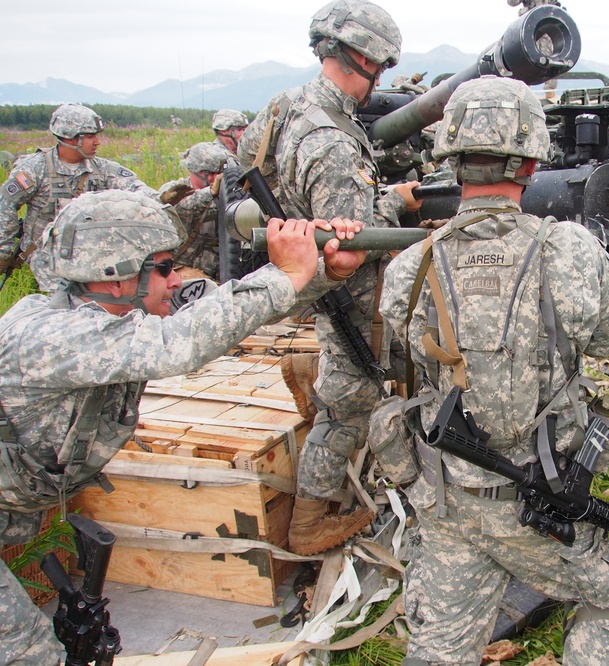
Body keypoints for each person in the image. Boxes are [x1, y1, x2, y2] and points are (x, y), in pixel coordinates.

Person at [0, 189, 366, 665]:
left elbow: (220, 316)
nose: (176, 280)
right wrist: (284, 273)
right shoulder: (48, 335)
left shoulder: (118, 318)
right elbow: (180, 344)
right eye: (165, 267)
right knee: (28, 653)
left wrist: (320, 271)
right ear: (116, 277)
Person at [379, 75, 609, 666]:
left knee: (439, 649)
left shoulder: (411, 264)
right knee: (606, 592)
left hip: (449, 503)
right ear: (529, 163)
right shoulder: (569, 250)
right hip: (542, 503)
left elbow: (410, 353)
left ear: (453, 160)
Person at [237, 0, 422, 556]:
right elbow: (356, 239)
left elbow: (248, 164)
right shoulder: (332, 141)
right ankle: (308, 523)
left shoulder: (285, 106)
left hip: (310, 276)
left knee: (352, 385)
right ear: (364, 60)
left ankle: (318, 374)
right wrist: (396, 198)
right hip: (348, 291)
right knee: (352, 408)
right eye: (381, 68)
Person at [0, 104, 158, 281]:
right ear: (69, 137)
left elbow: (138, 188)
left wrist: (161, 198)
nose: (97, 141)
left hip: (90, 252)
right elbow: (5, 205)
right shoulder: (35, 169)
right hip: (45, 255)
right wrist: (4, 252)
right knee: (65, 295)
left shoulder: (102, 168)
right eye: (90, 136)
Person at [157, 141, 232, 280]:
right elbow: (181, 207)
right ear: (198, 172)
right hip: (182, 270)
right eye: (211, 173)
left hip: (218, 270)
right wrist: (209, 192)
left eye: (220, 173)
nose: (216, 178)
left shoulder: (226, 192)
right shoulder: (176, 190)